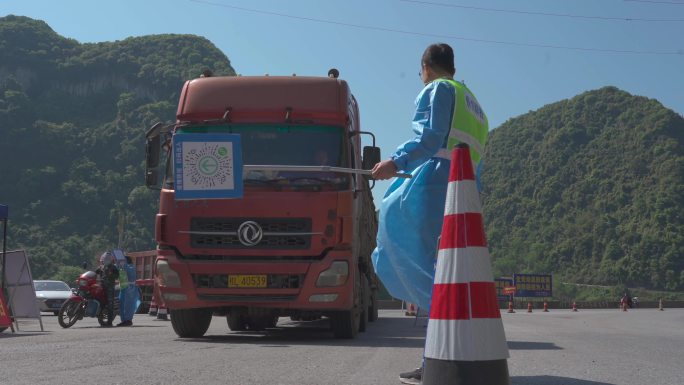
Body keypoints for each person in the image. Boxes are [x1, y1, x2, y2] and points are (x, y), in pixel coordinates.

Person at [370, 43, 488, 385]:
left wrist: (396, 162)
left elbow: (430, 136)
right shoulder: (474, 103)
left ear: (426, 67)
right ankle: (441, 355)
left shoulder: (437, 89)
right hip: (464, 189)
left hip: (437, 180)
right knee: (447, 268)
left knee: (394, 226)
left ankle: (436, 350)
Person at [96, 252, 119, 327]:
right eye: (105, 258)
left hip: (110, 287)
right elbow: (95, 273)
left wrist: (111, 274)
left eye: (108, 258)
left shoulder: (113, 267)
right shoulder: (101, 267)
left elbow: (117, 275)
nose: (106, 259)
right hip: (101, 286)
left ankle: (109, 322)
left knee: (110, 303)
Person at [117, 256, 141, 327]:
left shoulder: (131, 267)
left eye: (123, 260)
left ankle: (128, 320)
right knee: (122, 305)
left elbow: (128, 270)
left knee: (128, 305)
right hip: (123, 289)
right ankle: (124, 320)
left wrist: (123, 264)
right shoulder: (122, 267)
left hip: (130, 289)